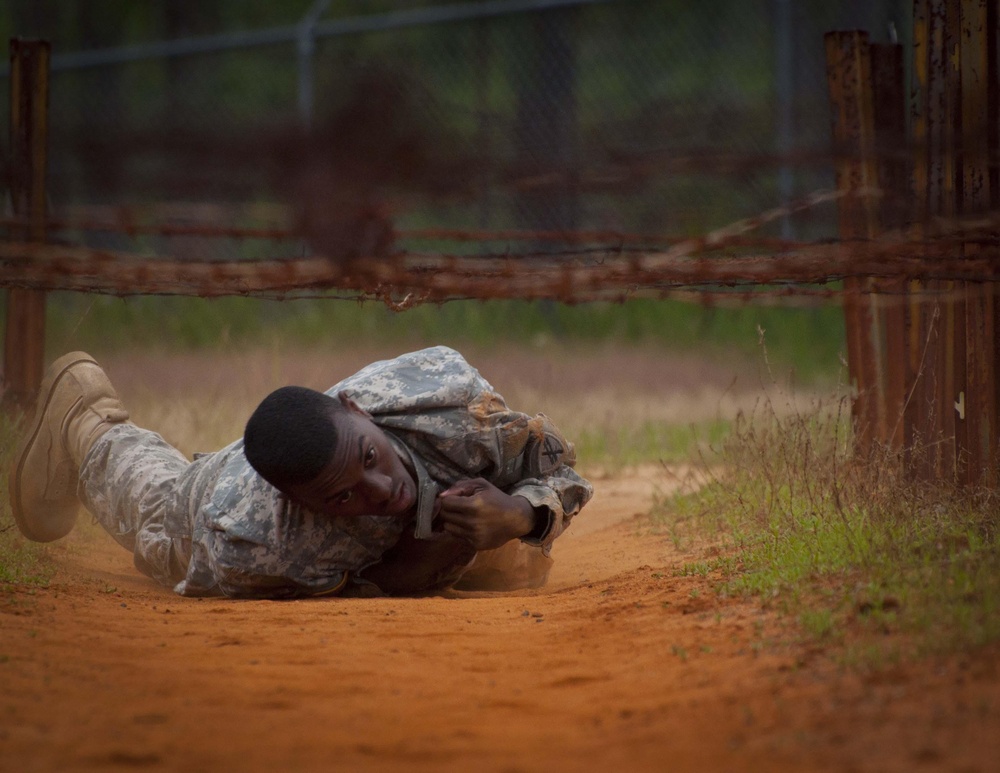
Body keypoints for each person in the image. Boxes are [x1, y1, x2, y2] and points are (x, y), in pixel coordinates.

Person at [9, 346, 593, 599]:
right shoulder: (253, 542)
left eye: (371, 458)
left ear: (359, 412)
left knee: (513, 568)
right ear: (309, 506)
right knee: (161, 507)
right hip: (204, 507)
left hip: (309, 438)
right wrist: (391, 576)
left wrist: (520, 513)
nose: (384, 490)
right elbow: (208, 569)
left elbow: (561, 467)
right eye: (344, 498)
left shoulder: (449, 402)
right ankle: (86, 421)